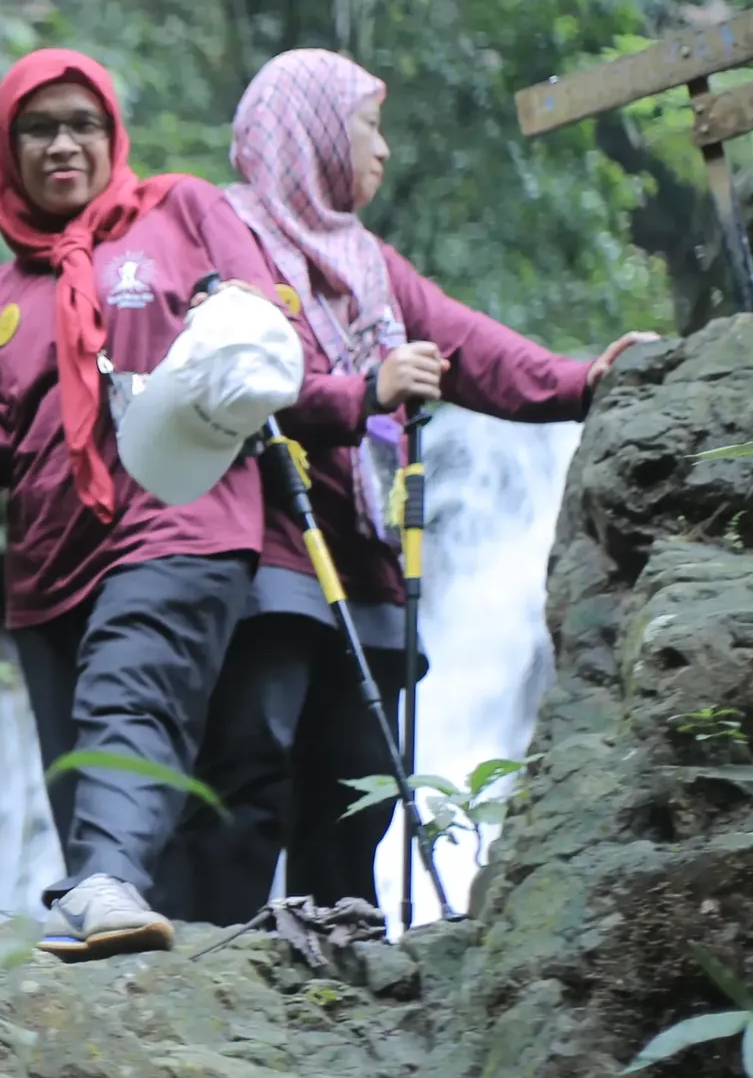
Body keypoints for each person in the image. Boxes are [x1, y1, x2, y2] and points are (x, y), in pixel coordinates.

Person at [152, 47, 658, 925]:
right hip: (269, 547)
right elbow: (241, 376)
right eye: (366, 127)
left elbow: (470, 348)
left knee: (362, 778)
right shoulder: (221, 230)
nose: (383, 150)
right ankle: (207, 960)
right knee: (249, 758)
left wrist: (583, 381)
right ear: (308, 134)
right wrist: (365, 390)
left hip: (368, 555)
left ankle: (341, 968)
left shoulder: (371, 262)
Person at [0, 47, 280, 962]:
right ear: (7, 152)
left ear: (113, 135)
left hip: (179, 521)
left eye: (82, 124)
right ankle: (165, 972)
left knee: (128, 705)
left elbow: (260, 332)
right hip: (50, 569)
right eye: (39, 128)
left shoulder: (182, 210)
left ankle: (104, 891)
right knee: (92, 794)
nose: (63, 144)